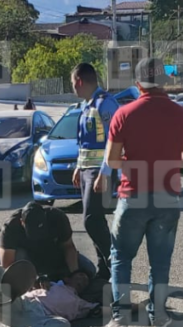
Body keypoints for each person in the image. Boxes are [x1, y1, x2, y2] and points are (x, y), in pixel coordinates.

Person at [103, 58, 183, 327]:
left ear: (137, 84)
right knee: (160, 260)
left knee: (121, 256)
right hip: (168, 196)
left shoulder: (124, 113)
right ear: (166, 83)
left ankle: (119, 318)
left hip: (132, 196)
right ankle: (159, 317)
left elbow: (111, 160)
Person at [71, 62, 120, 281]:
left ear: (80, 81)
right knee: (95, 220)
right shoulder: (86, 105)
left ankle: (115, 262)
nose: (73, 88)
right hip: (86, 171)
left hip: (100, 172)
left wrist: (105, 173)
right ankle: (105, 268)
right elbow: (86, 142)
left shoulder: (105, 104)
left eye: (73, 84)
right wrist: (78, 167)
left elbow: (115, 140)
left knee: (90, 219)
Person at [0, 201, 96, 280]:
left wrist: (74, 274)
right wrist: (31, 282)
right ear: (22, 223)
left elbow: (68, 247)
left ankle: (57, 278)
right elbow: (7, 265)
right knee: (19, 254)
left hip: (54, 256)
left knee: (90, 270)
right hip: (28, 263)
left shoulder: (57, 218)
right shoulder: (11, 227)